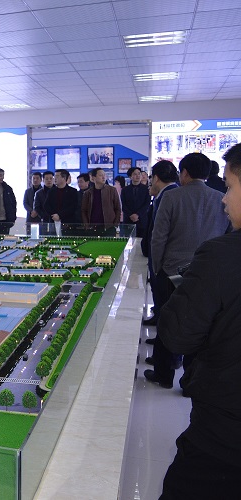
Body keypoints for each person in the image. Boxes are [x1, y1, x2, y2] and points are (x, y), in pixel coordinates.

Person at [157, 143, 241, 498]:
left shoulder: (222, 257)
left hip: (224, 432)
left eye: (231, 187)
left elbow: (177, 334)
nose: (225, 199)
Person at [145, 152, 230, 390]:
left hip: (171, 272)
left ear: (184, 173)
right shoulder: (221, 198)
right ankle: (190, 381)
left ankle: (164, 375)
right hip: (207, 274)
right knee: (200, 327)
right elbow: (227, 236)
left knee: (167, 322)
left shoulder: (172, 197)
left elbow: (158, 237)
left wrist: (157, 269)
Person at [141, 160, 179, 326]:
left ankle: (161, 324)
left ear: (156, 178)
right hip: (166, 257)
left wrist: (155, 263)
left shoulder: (168, 196)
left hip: (164, 258)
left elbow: (159, 233)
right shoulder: (169, 193)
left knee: (163, 293)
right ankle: (158, 317)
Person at [121, 167, 150, 237]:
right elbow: (123, 205)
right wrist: (131, 215)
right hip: (128, 219)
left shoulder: (146, 189)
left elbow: (147, 204)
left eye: (139, 174)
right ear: (130, 177)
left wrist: (137, 215)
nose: (138, 176)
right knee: (128, 240)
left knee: (142, 240)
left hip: (142, 219)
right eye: (135, 174)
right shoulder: (125, 189)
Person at [0, 168, 17, 234]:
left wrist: (12, 216)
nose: (2, 177)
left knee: (4, 238)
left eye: (3, 175)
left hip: (5, 219)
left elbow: (13, 203)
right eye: (0, 175)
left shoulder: (7, 188)